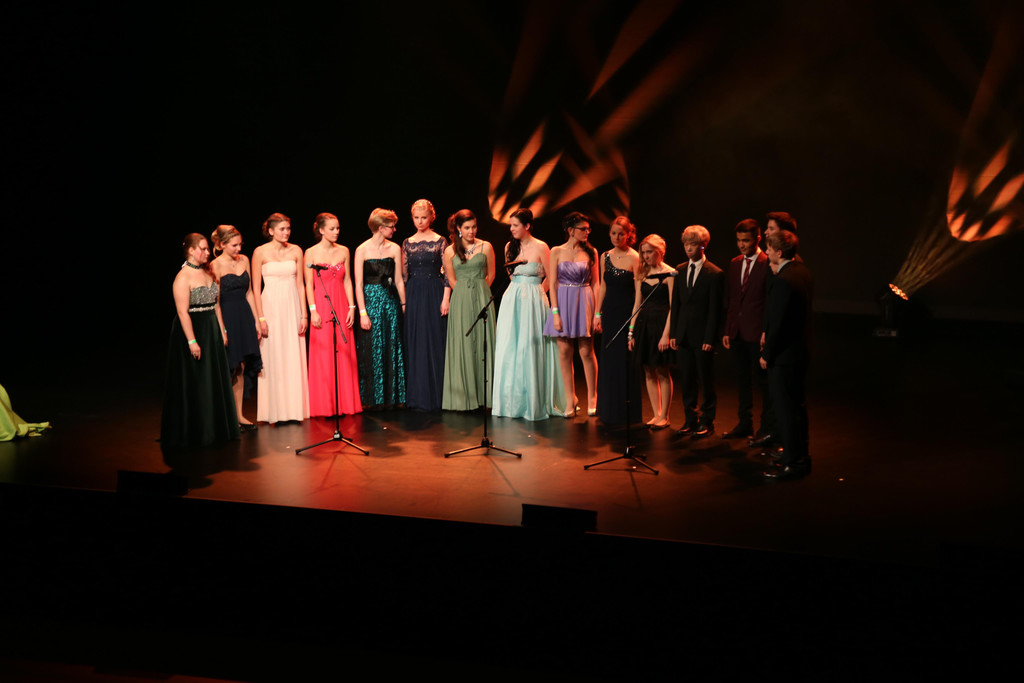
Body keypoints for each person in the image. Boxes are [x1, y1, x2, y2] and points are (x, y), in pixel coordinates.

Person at [161, 233, 239, 449]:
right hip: (193, 330)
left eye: (206, 248)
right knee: (197, 380)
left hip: (211, 328)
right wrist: (192, 341)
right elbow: (182, 312)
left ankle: (217, 429)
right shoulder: (182, 277)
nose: (207, 252)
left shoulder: (208, 271)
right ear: (191, 250)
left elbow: (216, 305)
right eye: (203, 249)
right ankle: (198, 431)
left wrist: (222, 330)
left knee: (213, 378)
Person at [491, 208, 563, 419]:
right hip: (512, 300)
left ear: (527, 226)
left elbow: (551, 277)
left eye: (515, 225)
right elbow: (511, 275)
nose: (512, 229)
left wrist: (537, 292)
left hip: (534, 300)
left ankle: (532, 402)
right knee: (510, 346)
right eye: (511, 225)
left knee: (529, 346)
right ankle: (510, 403)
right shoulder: (509, 247)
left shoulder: (541, 246)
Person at [759, 229, 812, 479]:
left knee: (787, 411)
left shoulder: (783, 280)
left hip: (785, 357)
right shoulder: (802, 272)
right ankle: (797, 455)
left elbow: (779, 324)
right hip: (798, 352)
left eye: (769, 249)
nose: (766, 252)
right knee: (796, 408)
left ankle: (793, 462)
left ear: (779, 252)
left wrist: (766, 354)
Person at [252, 212, 310, 424]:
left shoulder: (296, 250)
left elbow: (301, 284)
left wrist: (304, 314)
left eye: (288, 229)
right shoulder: (260, 252)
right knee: (273, 355)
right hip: (270, 307)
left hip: (291, 306)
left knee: (292, 354)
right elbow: (255, 288)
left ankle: (294, 410)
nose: (286, 233)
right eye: (282, 229)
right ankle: (273, 412)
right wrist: (260, 317)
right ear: (271, 231)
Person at [304, 212, 362, 417]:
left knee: (343, 351)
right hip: (321, 305)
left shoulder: (344, 250)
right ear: (321, 230)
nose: (336, 232)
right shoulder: (310, 253)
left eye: (338, 228)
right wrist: (313, 310)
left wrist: (352, 307)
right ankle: (325, 405)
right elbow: (308, 284)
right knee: (324, 353)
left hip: (341, 304)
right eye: (332, 228)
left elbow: (347, 281)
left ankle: (346, 403)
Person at [721, 219, 774, 442]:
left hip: (757, 332)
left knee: (763, 382)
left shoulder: (768, 263)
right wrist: (728, 329)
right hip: (738, 332)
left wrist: (766, 332)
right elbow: (733, 299)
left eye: (746, 240)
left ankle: (767, 427)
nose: (742, 245)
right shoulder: (735, 263)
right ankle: (745, 423)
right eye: (739, 240)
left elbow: (769, 301)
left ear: (757, 239)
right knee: (742, 381)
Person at [544, 211, 600, 417]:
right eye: (583, 229)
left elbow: (596, 283)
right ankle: (570, 399)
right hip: (563, 301)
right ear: (570, 230)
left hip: (584, 300)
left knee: (586, 351)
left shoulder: (591, 252)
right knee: (565, 352)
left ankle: (592, 397)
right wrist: (555, 312)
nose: (587, 232)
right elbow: (552, 283)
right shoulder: (556, 251)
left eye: (588, 229)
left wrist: (597, 313)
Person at [670, 225, 724, 438]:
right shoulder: (680, 269)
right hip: (684, 334)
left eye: (692, 244)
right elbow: (677, 304)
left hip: (702, 337)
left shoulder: (714, 273)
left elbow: (715, 310)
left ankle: (707, 421)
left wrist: (710, 337)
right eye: (686, 244)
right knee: (687, 379)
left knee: (706, 379)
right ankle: (690, 419)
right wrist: (674, 333)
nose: (688, 248)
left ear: (703, 245)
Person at [210, 225, 263, 430]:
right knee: (229, 365)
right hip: (227, 316)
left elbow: (249, 293)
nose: (238, 248)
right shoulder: (215, 265)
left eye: (240, 244)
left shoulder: (244, 260)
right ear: (222, 244)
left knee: (240, 366)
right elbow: (215, 301)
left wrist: (257, 319)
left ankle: (239, 415)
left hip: (244, 315)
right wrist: (222, 328)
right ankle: (225, 417)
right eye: (234, 245)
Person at [442, 209, 496, 411]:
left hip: (482, 296)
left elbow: (491, 274)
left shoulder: (486, 247)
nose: (471, 231)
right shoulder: (449, 251)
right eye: (467, 228)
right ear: (458, 228)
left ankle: (485, 396)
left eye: (474, 227)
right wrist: (465, 294)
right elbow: (451, 279)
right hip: (461, 298)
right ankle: (465, 397)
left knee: (483, 341)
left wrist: (480, 291)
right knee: (463, 343)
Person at [355, 208, 407, 409]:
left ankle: (393, 397)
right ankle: (372, 398)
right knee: (372, 348)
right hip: (370, 302)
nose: (394, 229)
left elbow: (399, 280)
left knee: (392, 345)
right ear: (380, 227)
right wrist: (362, 312)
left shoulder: (394, 248)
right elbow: (359, 284)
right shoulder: (362, 250)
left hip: (390, 301)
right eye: (391, 226)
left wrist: (404, 304)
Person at [594, 216, 643, 425]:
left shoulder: (635, 257)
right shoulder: (605, 256)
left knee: (624, 362)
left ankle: (625, 412)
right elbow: (603, 286)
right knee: (609, 362)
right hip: (609, 313)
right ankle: (608, 410)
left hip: (625, 314)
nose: (616, 237)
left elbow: (639, 292)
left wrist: (633, 321)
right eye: (613, 233)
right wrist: (597, 314)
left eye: (621, 234)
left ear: (628, 235)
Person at [402, 199, 449, 411]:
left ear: (432, 218)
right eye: (416, 218)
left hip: (434, 292)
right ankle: (418, 394)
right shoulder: (407, 243)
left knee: (434, 338)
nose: (420, 221)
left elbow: (447, 274)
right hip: (414, 293)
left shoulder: (440, 241)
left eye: (424, 217)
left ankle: (437, 394)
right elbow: (404, 276)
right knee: (416, 340)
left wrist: (446, 299)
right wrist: (404, 301)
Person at [627, 235, 675, 429]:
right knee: (647, 370)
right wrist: (631, 332)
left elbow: (673, 307)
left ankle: (665, 415)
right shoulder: (642, 273)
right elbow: (637, 305)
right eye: (644, 252)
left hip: (661, 324)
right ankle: (656, 414)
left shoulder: (670, 273)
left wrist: (666, 335)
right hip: (644, 325)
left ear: (660, 252)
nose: (646, 256)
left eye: (650, 252)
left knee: (662, 370)